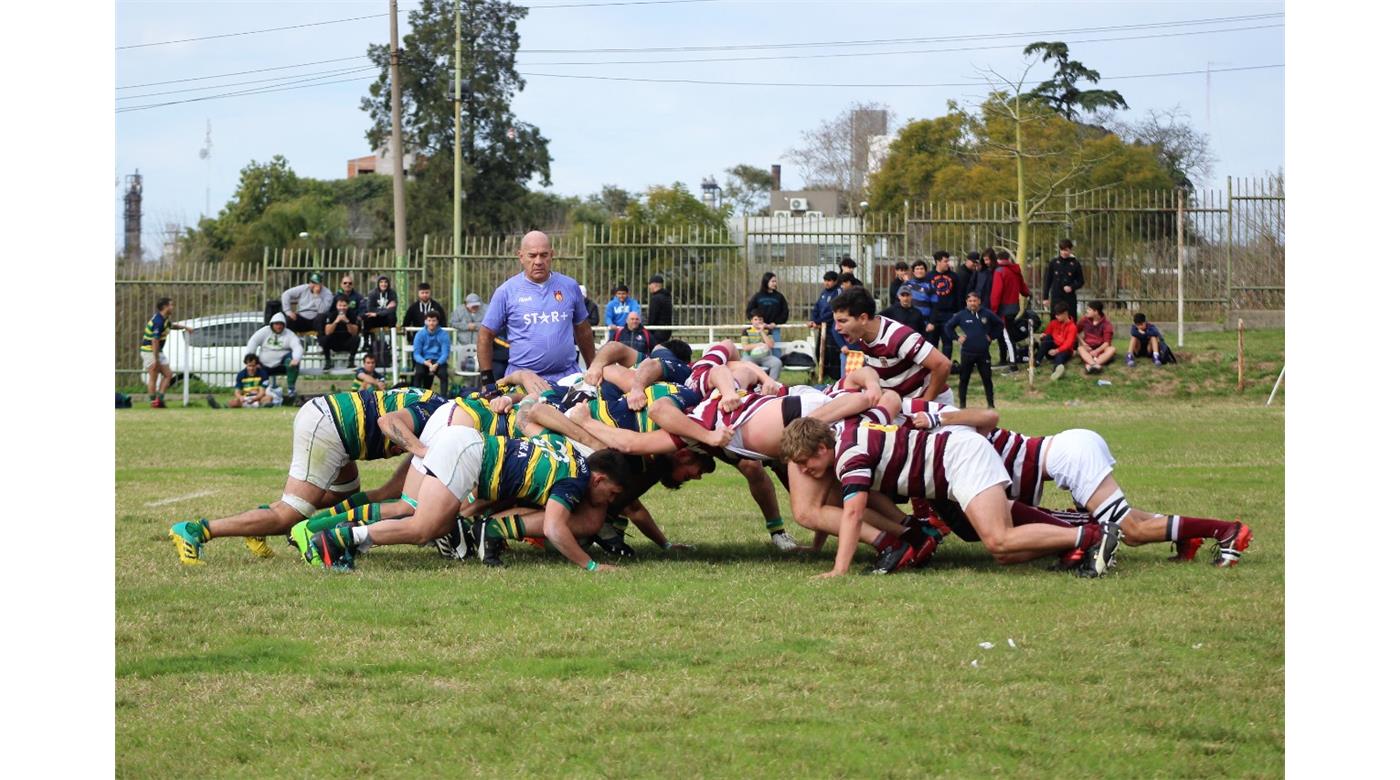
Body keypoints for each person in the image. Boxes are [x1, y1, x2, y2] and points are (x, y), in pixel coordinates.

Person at [779, 414, 1119, 579]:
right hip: (956, 460)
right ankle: (1080, 535)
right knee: (1006, 551)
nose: (805, 471)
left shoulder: (850, 456)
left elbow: (853, 514)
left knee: (999, 541)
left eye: (806, 463)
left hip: (961, 460)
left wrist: (840, 569)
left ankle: (1092, 535)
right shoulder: (843, 432)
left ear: (823, 448)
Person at [167, 388, 445, 565]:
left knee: (343, 494)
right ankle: (196, 530)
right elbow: (388, 422)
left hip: (335, 424)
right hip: (329, 427)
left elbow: (391, 491)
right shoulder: (439, 413)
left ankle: (263, 528)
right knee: (289, 514)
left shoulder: (442, 407)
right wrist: (423, 450)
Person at [305, 429, 633, 571]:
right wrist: (589, 565)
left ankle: (341, 536)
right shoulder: (576, 481)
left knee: (424, 519)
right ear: (600, 478)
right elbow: (555, 527)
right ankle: (338, 539)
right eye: (612, 494)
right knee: (423, 528)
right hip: (467, 456)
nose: (608, 501)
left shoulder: (568, 454)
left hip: (463, 443)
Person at [983, 424, 1252, 567]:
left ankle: (1227, 530)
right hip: (1069, 446)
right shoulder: (955, 429)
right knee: (1121, 519)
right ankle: (1185, 534)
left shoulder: (952, 431)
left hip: (1071, 457)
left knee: (1131, 532)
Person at [479, 231, 597, 385]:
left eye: (544, 255)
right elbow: (484, 336)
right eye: (532, 255)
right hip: (522, 381)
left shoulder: (570, 286)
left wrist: (593, 368)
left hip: (567, 378)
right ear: (521, 256)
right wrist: (487, 383)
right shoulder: (506, 292)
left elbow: (584, 331)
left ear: (552, 255)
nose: (538, 261)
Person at [829, 286, 952, 403]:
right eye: (835, 322)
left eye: (842, 321)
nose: (837, 328)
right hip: (902, 402)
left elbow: (943, 365)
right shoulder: (862, 336)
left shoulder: (898, 337)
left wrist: (926, 401)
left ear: (863, 318)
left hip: (931, 402)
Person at [945, 291, 1004, 409]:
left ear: (979, 301)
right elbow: (948, 327)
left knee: (987, 379)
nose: (973, 303)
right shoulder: (961, 315)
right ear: (966, 302)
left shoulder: (987, 314)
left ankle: (991, 405)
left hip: (983, 353)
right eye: (970, 301)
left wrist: (991, 336)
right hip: (967, 353)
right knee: (964, 379)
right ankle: (962, 405)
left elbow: (1000, 324)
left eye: (975, 301)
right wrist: (957, 337)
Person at [140, 297, 192, 408]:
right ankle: (154, 403)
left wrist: (185, 327)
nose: (172, 307)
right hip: (149, 351)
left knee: (168, 375)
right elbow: (154, 340)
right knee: (153, 376)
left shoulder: (164, 319)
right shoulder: (158, 321)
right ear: (165, 307)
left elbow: (171, 326)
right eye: (171, 305)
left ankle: (160, 399)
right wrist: (156, 360)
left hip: (157, 351)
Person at [245, 312, 304, 400]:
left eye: (281, 324)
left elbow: (297, 346)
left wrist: (296, 358)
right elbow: (253, 342)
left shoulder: (289, 334)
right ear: (272, 324)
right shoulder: (264, 331)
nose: (279, 326)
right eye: (276, 324)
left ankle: (291, 390)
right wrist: (250, 360)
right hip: (263, 365)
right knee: (252, 367)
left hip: (281, 365)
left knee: (292, 361)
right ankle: (253, 393)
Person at [807, 271, 843, 381]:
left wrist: (818, 321)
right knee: (820, 352)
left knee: (832, 354)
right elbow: (817, 307)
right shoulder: (823, 293)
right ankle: (824, 375)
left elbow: (833, 312)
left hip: (832, 329)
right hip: (822, 328)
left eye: (829, 281)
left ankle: (834, 378)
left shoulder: (838, 292)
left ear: (835, 281)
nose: (826, 283)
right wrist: (813, 320)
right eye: (825, 280)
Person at [1042, 238, 1085, 318]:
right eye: (1062, 250)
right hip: (1056, 297)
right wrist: (1045, 297)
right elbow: (1047, 281)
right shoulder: (1053, 263)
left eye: (1066, 250)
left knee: (1070, 319)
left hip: (1069, 298)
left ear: (1070, 250)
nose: (1064, 252)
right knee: (1055, 320)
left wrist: (1071, 287)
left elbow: (1081, 281)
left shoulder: (1075, 263)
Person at [928, 252, 960, 358]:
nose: (948, 264)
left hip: (948, 314)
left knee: (948, 342)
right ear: (937, 262)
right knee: (932, 343)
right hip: (933, 315)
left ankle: (946, 366)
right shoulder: (929, 276)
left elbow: (958, 295)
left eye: (948, 261)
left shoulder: (954, 276)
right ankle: (934, 366)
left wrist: (956, 312)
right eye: (945, 261)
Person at [412, 310, 452, 395]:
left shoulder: (444, 334)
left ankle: (444, 398)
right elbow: (416, 353)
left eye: (434, 320)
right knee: (418, 373)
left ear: (437, 321)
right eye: (429, 320)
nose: (431, 323)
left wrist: (437, 364)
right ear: (425, 321)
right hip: (424, 360)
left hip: (438, 360)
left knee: (443, 374)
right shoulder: (420, 334)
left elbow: (445, 353)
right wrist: (426, 363)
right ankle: (415, 397)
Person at [1035, 302, 1078, 381]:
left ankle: (1056, 371)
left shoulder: (1072, 327)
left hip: (1065, 350)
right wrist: (1043, 335)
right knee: (1047, 338)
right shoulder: (1053, 323)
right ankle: (1036, 362)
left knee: (1061, 355)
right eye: (1056, 314)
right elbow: (1047, 333)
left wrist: (1057, 350)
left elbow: (1068, 344)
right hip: (1052, 349)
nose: (1056, 316)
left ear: (1065, 314)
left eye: (1058, 315)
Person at [1076, 300, 1116, 374]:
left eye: (1089, 309)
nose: (1087, 311)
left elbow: (1107, 343)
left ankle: (1091, 364)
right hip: (1088, 348)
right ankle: (1095, 365)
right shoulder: (1084, 320)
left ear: (1096, 312)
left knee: (1112, 349)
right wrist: (1083, 343)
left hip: (1101, 348)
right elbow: (1076, 331)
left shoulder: (1107, 324)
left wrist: (1096, 351)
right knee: (1080, 348)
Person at [317, 295, 361, 362]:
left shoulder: (352, 314)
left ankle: (351, 361)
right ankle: (328, 361)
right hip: (335, 342)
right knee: (325, 338)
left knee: (356, 338)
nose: (342, 308)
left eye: (344, 305)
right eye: (340, 305)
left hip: (347, 341)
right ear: (336, 306)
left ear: (348, 306)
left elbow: (354, 333)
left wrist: (347, 322)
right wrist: (336, 322)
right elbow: (327, 332)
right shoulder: (332, 314)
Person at [739, 314, 782, 380]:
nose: (758, 321)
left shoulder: (767, 330)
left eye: (760, 319)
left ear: (763, 321)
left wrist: (762, 331)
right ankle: (748, 384)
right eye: (755, 319)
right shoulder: (746, 331)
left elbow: (770, 345)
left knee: (777, 363)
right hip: (750, 356)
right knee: (743, 364)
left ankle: (772, 383)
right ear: (751, 321)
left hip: (765, 357)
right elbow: (745, 347)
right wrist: (758, 345)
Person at [449, 292, 485, 371]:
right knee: (465, 367)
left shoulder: (486, 309)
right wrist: (467, 326)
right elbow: (452, 323)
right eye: (473, 306)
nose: (475, 307)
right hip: (463, 344)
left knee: (480, 367)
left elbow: (489, 323)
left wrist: (476, 326)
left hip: (480, 344)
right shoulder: (459, 310)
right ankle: (467, 383)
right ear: (466, 305)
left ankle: (479, 383)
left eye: (476, 305)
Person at [646, 274, 673, 342]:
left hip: (657, 331)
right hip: (666, 330)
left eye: (650, 284)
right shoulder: (667, 296)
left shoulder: (656, 298)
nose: (649, 287)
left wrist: (648, 330)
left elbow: (653, 317)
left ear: (654, 284)